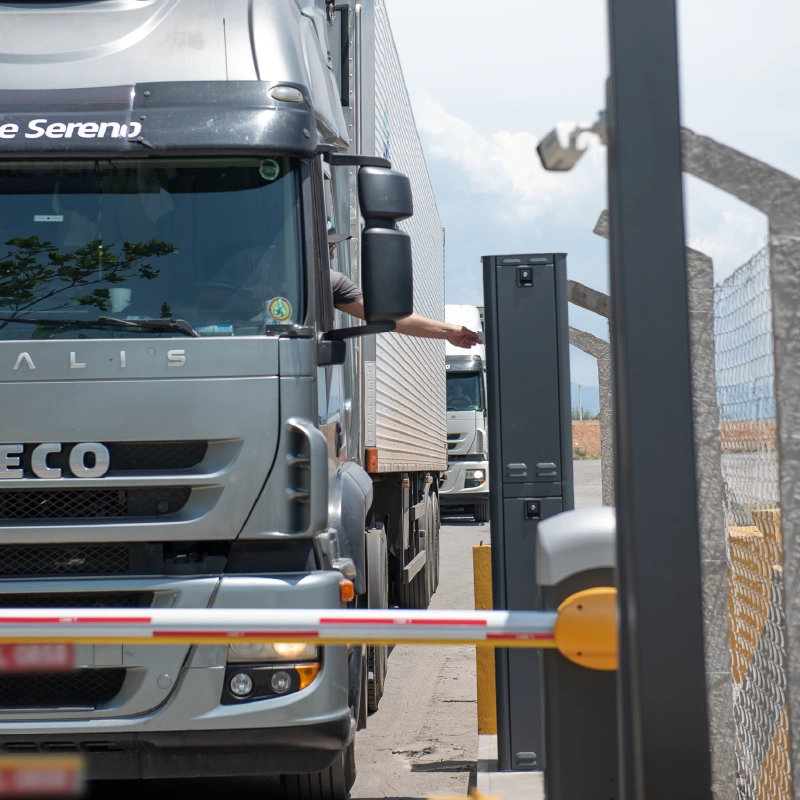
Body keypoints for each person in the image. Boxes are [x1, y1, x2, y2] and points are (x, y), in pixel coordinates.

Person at [328, 229, 481, 350]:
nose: (332, 256)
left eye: (332, 247)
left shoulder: (333, 282)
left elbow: (387, 317)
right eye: (329, 246)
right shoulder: (330, 279)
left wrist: (449, 331)